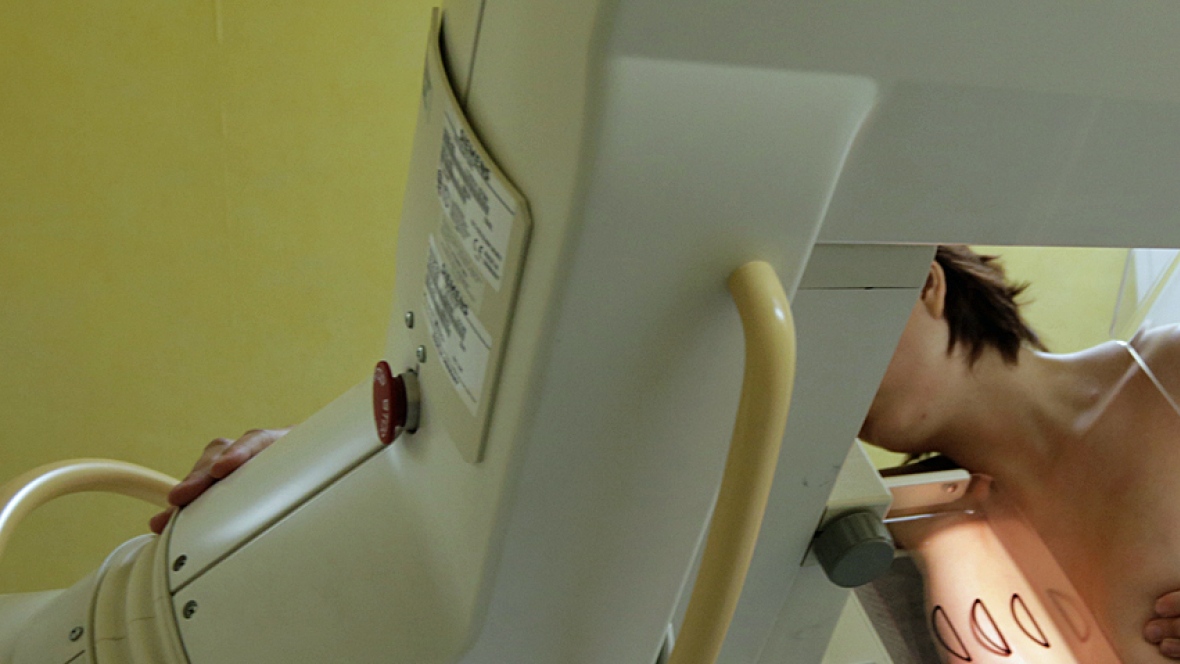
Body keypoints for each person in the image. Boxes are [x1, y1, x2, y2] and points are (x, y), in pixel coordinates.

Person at [152, 245, 1180, 659]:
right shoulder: (914, 538)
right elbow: (556, 486)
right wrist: (324, 474)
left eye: (823, 324)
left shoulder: (1164, 371)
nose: (811, 380)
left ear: (921, 277)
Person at [861, 245, 1180, 661]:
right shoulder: (892, 530)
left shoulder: (1167, 371)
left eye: (831, 339)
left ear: (925, 285)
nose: (822, 383)